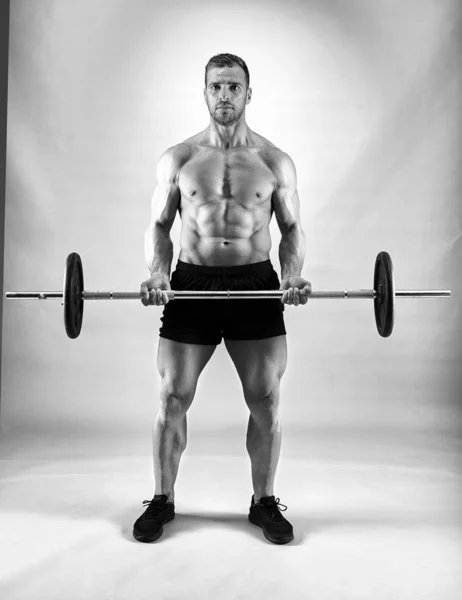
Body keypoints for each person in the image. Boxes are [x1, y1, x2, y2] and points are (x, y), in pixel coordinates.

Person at [134, 53, 311, 545]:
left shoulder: (274, 161)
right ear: (205, 92)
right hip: (191, 284)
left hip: (256, 284)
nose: (225, 96)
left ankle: (263, 501)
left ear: (248, 94)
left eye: (234, 87)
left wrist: (292, 276)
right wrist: (156, 272)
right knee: (172, 396)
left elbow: (292, 228)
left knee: (266, 399)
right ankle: (163, 498)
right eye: (217, 87)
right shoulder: (180, 158)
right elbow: (159, 225)